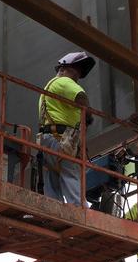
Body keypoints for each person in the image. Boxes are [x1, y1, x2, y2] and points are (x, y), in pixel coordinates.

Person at [36, 51, 95, 206]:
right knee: (71, 175)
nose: (78, 75)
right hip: (60, 139)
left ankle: (52, 210)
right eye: (76, 69)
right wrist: (88, 117)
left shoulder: (49, 88)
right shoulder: (64, 82)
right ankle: (79, 213)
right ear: (64, 69)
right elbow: (81, 98)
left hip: (47, 139)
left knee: (53, 178)